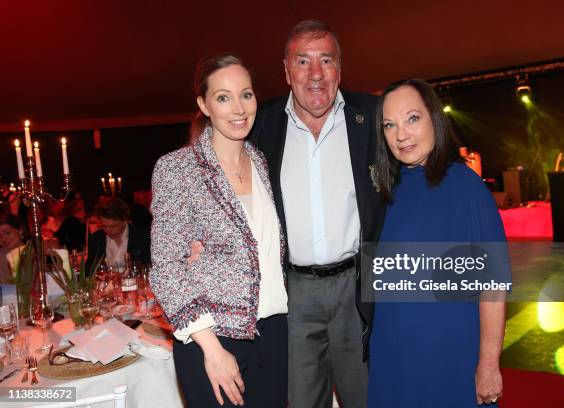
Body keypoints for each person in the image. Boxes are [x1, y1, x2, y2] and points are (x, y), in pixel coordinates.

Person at [250, 19, 385, 408]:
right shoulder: (261, 124)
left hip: (356, 287)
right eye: (303, 61)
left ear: (340, 67)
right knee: (301, 401)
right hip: (294, 293)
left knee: (366, 398)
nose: (315, 74)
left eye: (325, 60)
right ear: (286, 69)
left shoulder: (372, 116)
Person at [150, 54, 288, 408]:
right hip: (212, 340)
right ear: (204, 105)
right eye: (223, 97)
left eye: (246, 94)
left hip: (274, 336)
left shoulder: (260, 161)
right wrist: (211, 348)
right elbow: (166, 267)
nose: (238, 108)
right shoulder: (177, 169)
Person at [367, 79, 507, 407]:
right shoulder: (386, 194)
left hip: (449, 358)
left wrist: (488, 366)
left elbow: (494, 288)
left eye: (412, 118)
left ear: (434, 118)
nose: (401, 135)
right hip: (392, 357)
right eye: (390, 125)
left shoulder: (468, 189)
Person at [87, 197, 150, 272]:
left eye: (113, 226)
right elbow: (89, 271)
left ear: (125, 220)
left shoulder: (143, 237)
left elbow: (149, 267)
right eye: (104, 226)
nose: (108, 230)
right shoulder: (96, 239)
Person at [0, 213, 28, 282]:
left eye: (7, 233)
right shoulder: (1, 254)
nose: (4, 238)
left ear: (20, 231)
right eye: (0, 236)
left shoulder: (31, 251)